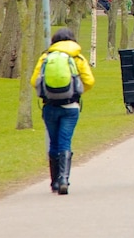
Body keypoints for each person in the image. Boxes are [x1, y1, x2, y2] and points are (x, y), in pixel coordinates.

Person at [30, 28, 95, 195]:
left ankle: (54, 182)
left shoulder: (46, 57)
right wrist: (76, 91)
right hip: (70, 106)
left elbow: (34, 81)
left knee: (53, 142)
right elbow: (89, 80)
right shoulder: (77, 57)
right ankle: (64, 179)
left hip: (50, 106)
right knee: (65, 141)